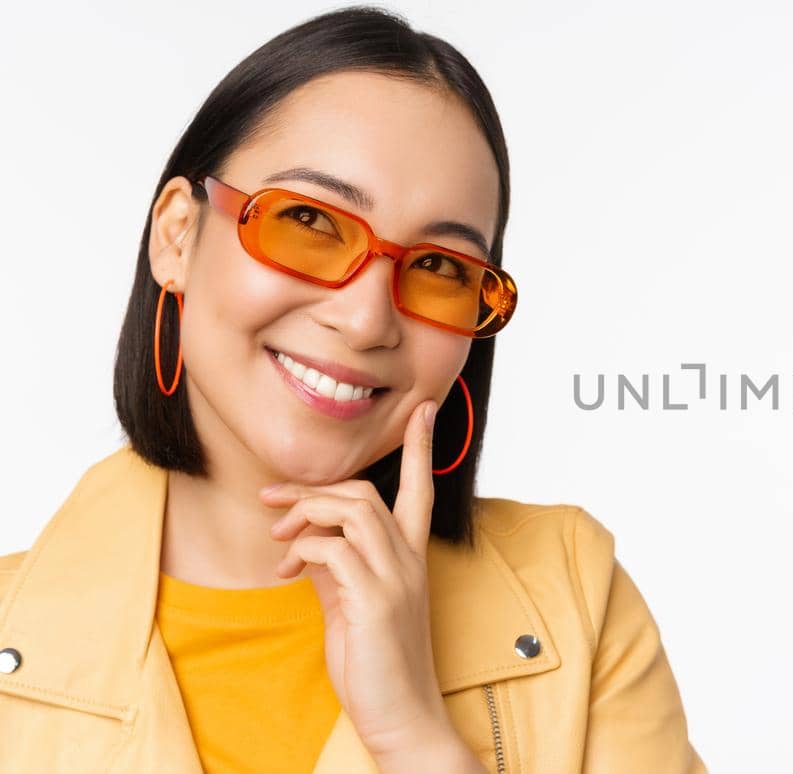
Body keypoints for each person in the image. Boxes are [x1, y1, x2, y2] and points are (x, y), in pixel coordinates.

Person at [0, 6, 707, 773]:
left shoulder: (574, 600)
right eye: (308, 219)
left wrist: (416, 737)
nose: (368, 317)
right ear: (177, 235)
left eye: (440, 267)